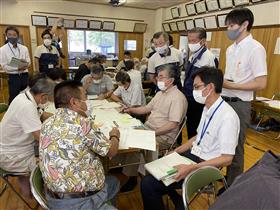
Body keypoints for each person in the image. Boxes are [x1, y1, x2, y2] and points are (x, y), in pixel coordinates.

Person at [141, 66, 240, 210]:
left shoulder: (228, 117)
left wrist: (191, 168)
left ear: (210, 87)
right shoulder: (208, 108)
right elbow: (197, 137)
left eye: (197, 87)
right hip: (194, 155)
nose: (194, 91)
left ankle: (175, 198)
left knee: (148, 184)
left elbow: (227, 158)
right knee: (153, 170)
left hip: (206, 166)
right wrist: (176, 151)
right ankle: (177, 199)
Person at [39, 80, 120, 210]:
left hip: (53, 197)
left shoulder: (47, 123)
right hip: (81, 202)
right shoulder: (82, 124)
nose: (86, 101)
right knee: (114, 182)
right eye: (85, 97)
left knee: (111, 182)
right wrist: (115, 135)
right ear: (74, 102)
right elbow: (111, 152)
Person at [222, 8, 267, 185]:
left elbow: (261, 83)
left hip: (240, 105)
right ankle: (225, 179)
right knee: (224, 145)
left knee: (236, 148)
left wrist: (232, 86)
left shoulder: (256, 49)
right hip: (225, 101)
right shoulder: (230, 49)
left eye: (231, 25)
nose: (228, 29)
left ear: (245, 25)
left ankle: (232, 186)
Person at [0, 75, 54, 198]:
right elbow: (41, 138)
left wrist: (58, 118)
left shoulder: (23, 96)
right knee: (52, 163)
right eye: (49, 98)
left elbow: (41, 114)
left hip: (12, 148)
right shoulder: (26, 106)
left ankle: (28, 192)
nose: (48, 101)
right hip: (11, 156)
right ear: (43, 96)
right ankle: (40, 195)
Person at [184, 27, 218, 139]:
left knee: (196, 131)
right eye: (189, 41)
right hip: (190, 98)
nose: (191, 43)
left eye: (194, 41)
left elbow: (210, 82)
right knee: (190, 128)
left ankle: (195, 154)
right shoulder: (193, 55)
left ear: (203, 41)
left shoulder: (208, 57)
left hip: (199, 101)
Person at [0, 26, 31, 104]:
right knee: (13, 97)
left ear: (17, 36)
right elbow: (4, 66)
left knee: (27, 96)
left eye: (14, 34)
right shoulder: (2, 49)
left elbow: (29, 62)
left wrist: (16, 63)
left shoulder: (24, 48)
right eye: (9, 34)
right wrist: (19, 66)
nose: (12, 36)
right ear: (6, 35)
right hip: (13, 77)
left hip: (25, 75)